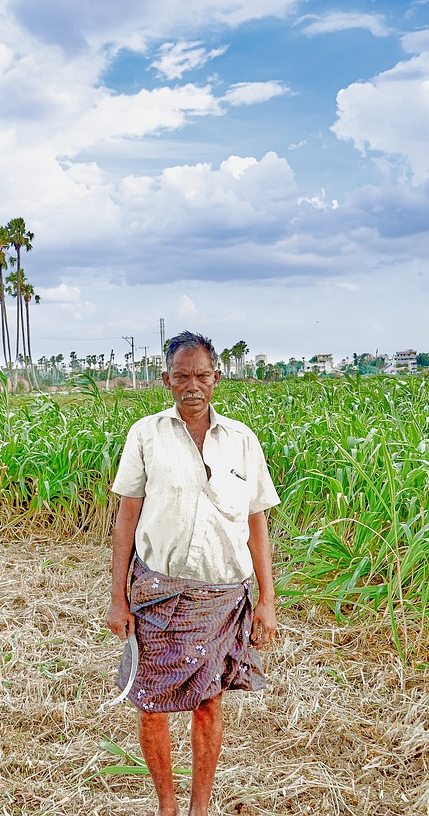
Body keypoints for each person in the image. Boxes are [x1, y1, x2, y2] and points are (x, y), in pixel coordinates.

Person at [105, 330, 280, 816]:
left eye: (201, 375)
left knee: (209, 704)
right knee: (152, 703)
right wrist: (118, 598)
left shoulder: (242, 440)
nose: (192, 385)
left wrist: (267, 600)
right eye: (181, 376)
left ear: (216, 378)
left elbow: (257, 522)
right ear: (166, 380)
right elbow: (126, 517)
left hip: (223, 596)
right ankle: (166, 805)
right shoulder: (146, 434)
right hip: (157, 593)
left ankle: (200, 806)